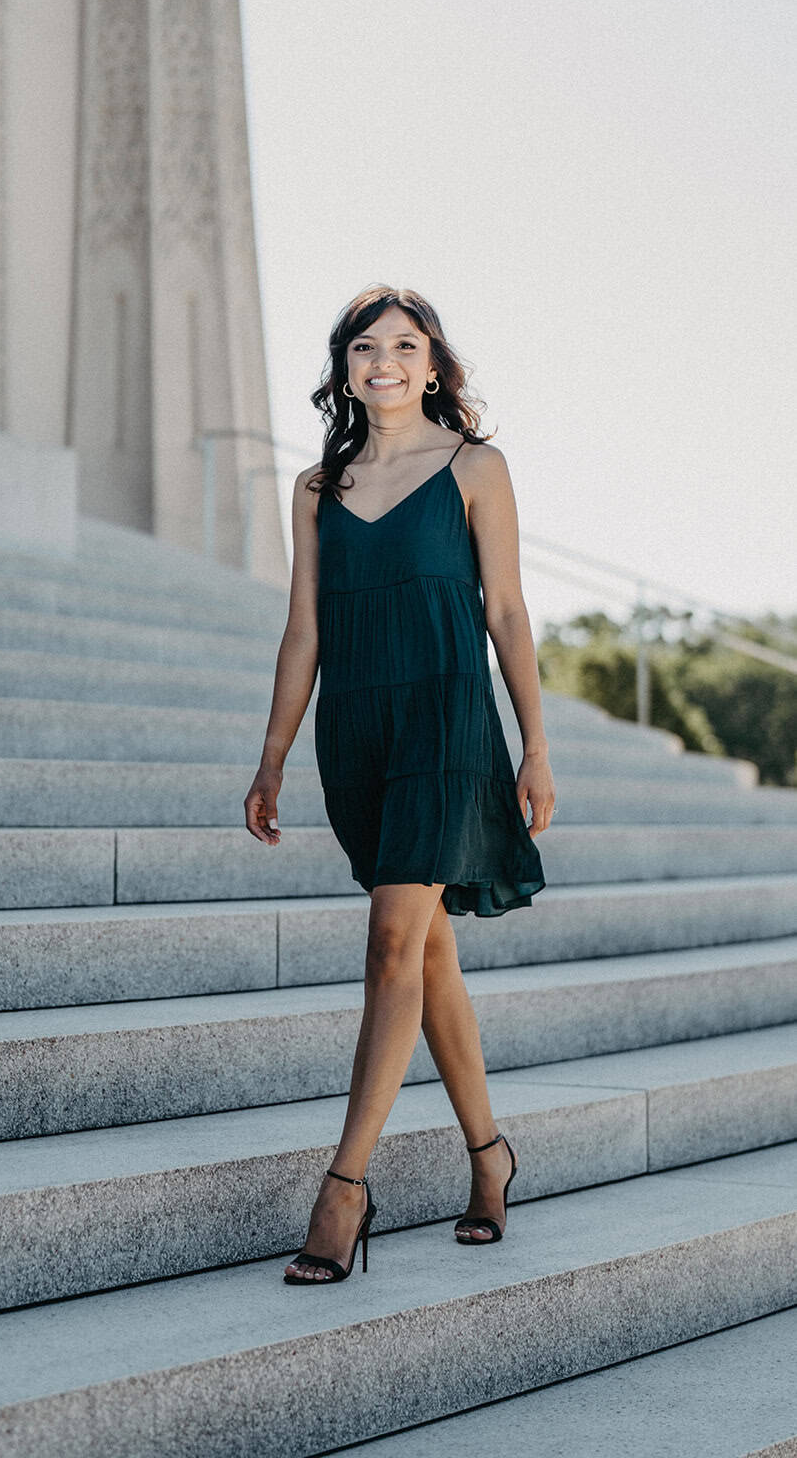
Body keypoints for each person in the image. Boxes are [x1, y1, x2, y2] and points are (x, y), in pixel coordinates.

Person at [243, 283, 556, 1285]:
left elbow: (504, 611)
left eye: (404, 344)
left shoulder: (475, 467)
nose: (383, 359)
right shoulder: (312, 488)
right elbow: (303, 631)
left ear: (433, 366)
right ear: (343, 367)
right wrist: (274, 752)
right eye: (364, 346)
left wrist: (535, 744)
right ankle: (488, 1155)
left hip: (447, 719)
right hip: (357, 729)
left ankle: (343, 1189)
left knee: (388, 940)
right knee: (427, 956)